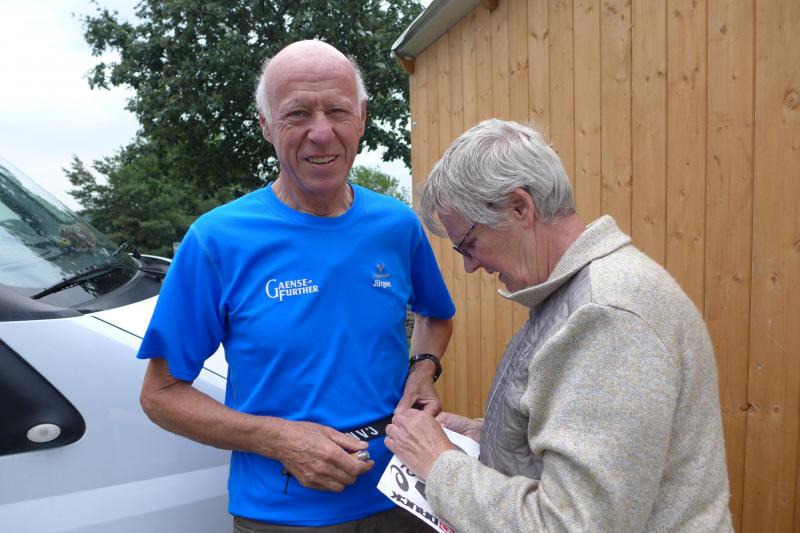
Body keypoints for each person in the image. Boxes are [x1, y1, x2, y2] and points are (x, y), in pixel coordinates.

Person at [137, 40, 455, 532]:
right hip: (283, 513)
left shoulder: (396, 225)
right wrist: (279, 439)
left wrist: (424, 367)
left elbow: (437, 314)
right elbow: (161, 395)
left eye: (338, 110)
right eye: (297, 113)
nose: (321, 132)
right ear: (266, 125)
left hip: (405, 498)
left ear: (362, 117)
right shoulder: (217, 240)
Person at [384, 119, 733, 532]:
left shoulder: (606, 316)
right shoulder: (579, 296)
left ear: (520, 206)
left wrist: (440, 465)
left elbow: (574, 524)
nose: (470, 265)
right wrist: (486, 436)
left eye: (470, 244)